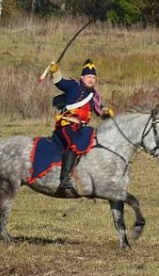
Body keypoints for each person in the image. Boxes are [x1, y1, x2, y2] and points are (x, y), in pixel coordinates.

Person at [49, 59, 114, 197]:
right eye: (89, 77)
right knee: (74, 145)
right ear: (82, 77)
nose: (91, 80)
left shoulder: (94, 95)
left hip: (82, 128)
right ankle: (65, 180)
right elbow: (60, 82)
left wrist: (105, 112)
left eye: (94, 77)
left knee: (96, 143)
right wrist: (55, 71)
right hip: (67, 125)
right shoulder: (73, 86)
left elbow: (99, 110)